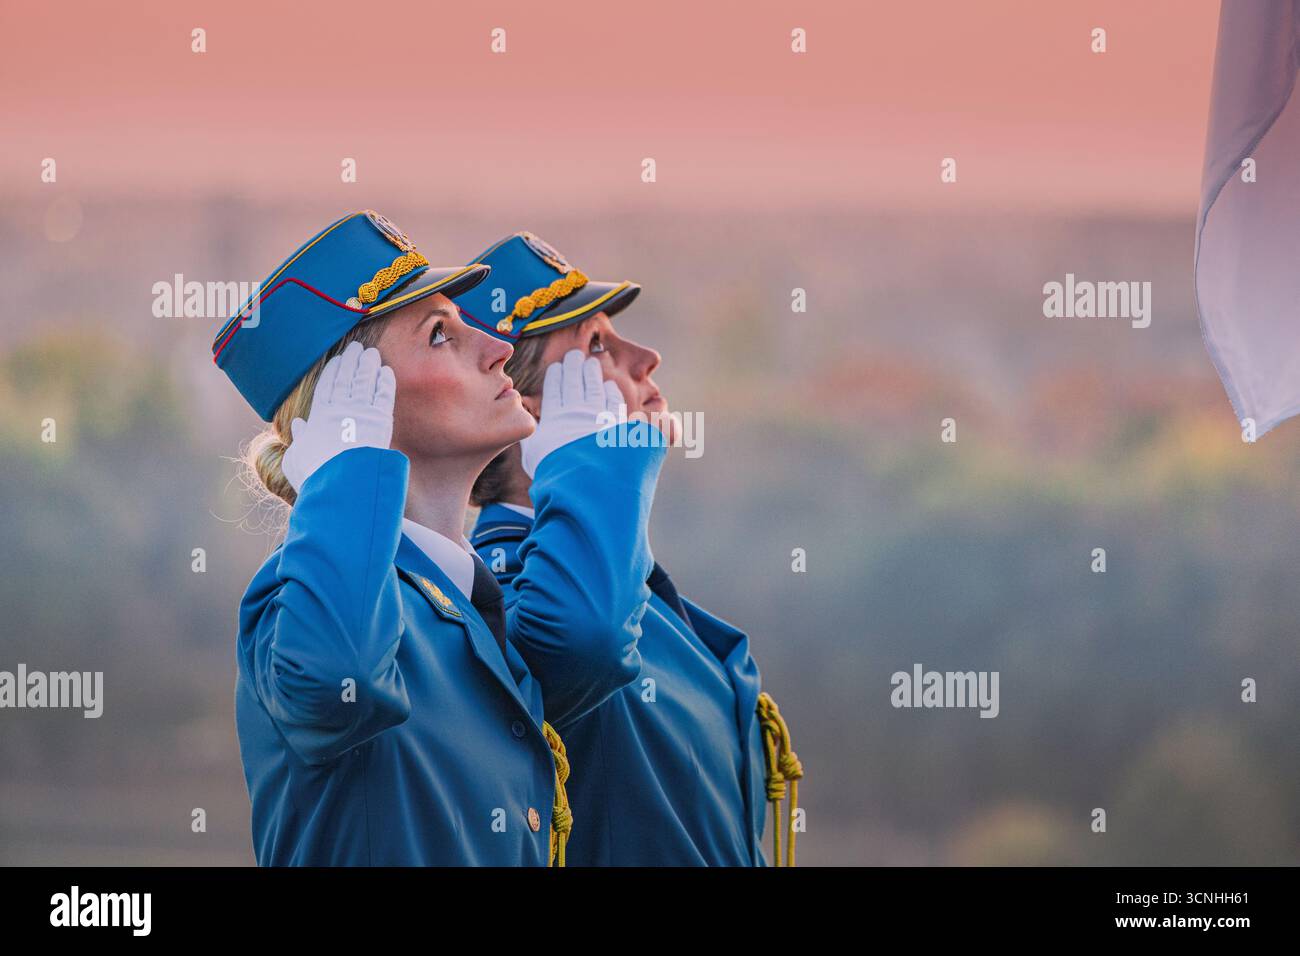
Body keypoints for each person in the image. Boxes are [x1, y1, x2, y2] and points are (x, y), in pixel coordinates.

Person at [211, 211, 661, 865]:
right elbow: (343, 679)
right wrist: (345, 474)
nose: (496, 346)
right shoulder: (292, 596)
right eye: (442, 335)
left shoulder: (476, 612)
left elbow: (589, 650)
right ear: (354, 398)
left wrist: (597, 460)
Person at [459, 232, 803, 866]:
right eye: (596, 346)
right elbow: (579, 641)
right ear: (528, 409)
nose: (647, 357)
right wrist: (584, 461)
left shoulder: (607, 574)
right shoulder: (501, 597)